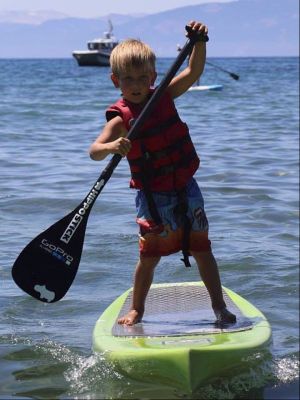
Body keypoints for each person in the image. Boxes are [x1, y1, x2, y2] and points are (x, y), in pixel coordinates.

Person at [89, 20, 236, 326]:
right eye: (129, 79)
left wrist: (200, 43)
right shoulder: (120, 120)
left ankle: (219, 306)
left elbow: (193, 73)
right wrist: (114, 145)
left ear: (154, 76)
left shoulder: (163, 96)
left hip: (186, 188)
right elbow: (94, 151)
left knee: (202, 250)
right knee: (148, 257)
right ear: (116, 81)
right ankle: (137, 309)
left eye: (143, 77)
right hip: (152, 198)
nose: (137, 84)